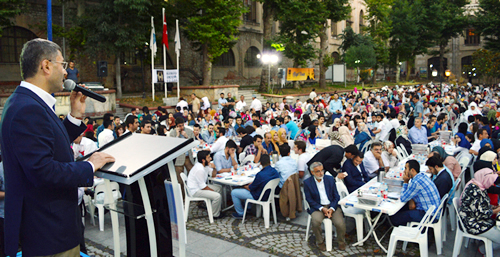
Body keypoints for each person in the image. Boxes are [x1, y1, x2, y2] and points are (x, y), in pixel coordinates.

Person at [0, 38, 115, 256]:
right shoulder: (27, 108)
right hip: (49, 232)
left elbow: (47, 143)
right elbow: (42, 170)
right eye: (62, 65)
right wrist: (89, 166)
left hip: (50, 229)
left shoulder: (27, 103)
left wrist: (74, 117)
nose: (66, 72)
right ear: (46, 66)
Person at [304, 162, 346, 251]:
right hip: (318, 207)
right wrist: (322, 208)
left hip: (331, 205)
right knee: (315, 222)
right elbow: (309, 199)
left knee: (340, 223)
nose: (321, 173)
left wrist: (331, 208)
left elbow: (336, 196)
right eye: (318, 171)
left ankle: (341, 242)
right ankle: (320, 242)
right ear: (312, 172)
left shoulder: (330, 179)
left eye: (322, 170)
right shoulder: (307, 183)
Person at [459, 168, 500, 254]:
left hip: (475, 218)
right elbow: (481, 214)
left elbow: (482, 206)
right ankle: (483, 250)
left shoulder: (479, 185)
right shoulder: (474, 191)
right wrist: (496, 210)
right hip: (473, 223)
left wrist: (494, 207)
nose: (492, 184)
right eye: (491, 181)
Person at [390, 160, 441, 226]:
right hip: (434, 212)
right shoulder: (423, 176)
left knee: (395, 218)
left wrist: (405, 181)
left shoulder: (416, 182)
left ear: (412, 170)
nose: (404, 171)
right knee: (403, 208)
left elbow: (403, 198)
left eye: (406, 168)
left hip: (428, 215)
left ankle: (403, 231)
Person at [230, 154, 279, 219]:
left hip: (258, 196)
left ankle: (240, 213)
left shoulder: (260, 174)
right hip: (270, 194)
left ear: (260, 163)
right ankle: (248, 208)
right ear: (270, 162)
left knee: (234, 192)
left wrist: (243, 186)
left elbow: (250, 188)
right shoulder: (274, 171)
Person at [187, 150, 224, 219]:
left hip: (200, 187)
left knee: (219, 188)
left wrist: (214, 168)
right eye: (208, 158)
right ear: (203, 160)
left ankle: (217, 208)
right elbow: (203, 187)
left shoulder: (205, 166)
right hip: (195, 190)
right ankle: (214, 214)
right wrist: (212, 191)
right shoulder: (199, 169)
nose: (210, 159)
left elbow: (212, 175)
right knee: (217, 196)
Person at [170, 117, 195, 182]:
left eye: (183, 125)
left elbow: (193, 142)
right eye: (180, 126)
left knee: (193, 176)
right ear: (176, 126)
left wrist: (187, 137)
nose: (182, 127)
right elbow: (173, 146)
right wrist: (177, 136)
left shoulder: (189, 131)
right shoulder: (172, 133)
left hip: (188, 157)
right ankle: (182, 192)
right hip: (178, 158)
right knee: (180, 180)